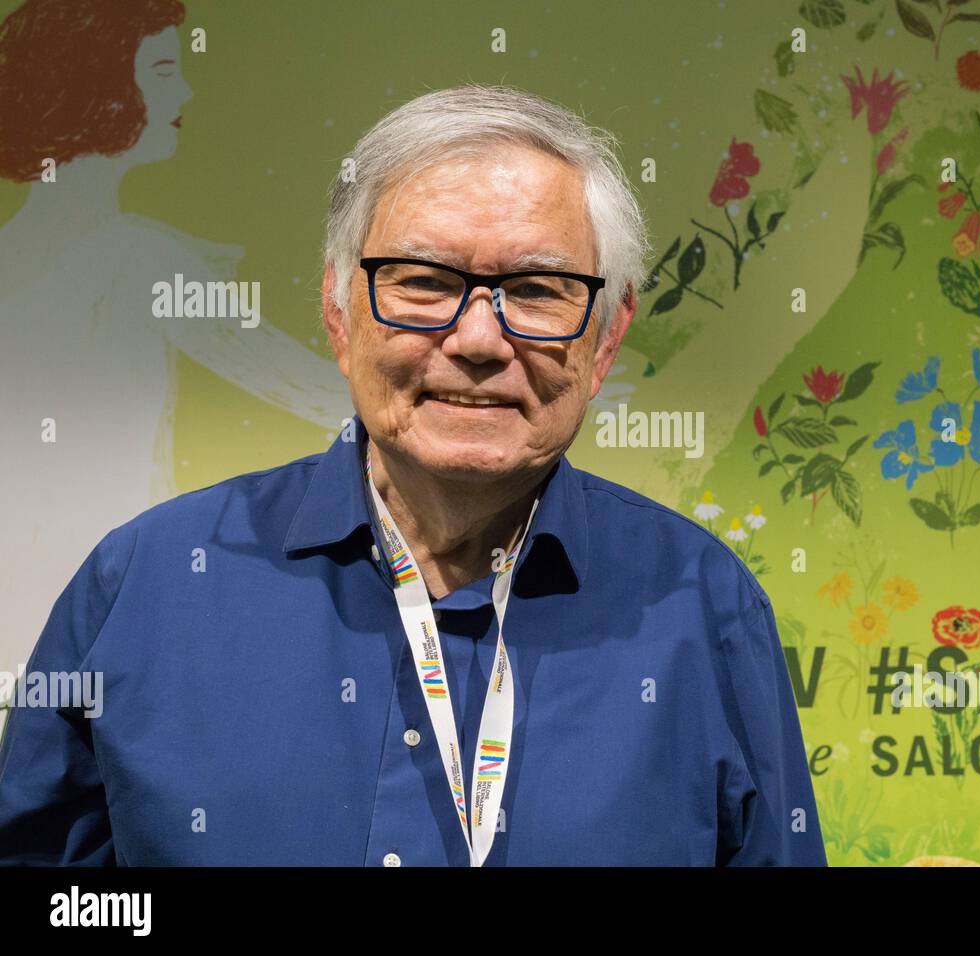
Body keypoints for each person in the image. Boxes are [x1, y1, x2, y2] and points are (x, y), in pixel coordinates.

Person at [0, 83, 827, 866]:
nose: (477, 339)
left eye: (536, 290)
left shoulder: (704, 606)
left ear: (606, 338)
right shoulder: (144, 585)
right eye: (425, 283)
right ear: (337, 311)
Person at [0, 0, 352, 690]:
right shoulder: (137, 259)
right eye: (162, 70)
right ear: (99, 88)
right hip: (109, 618)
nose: (185, 93)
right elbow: (318, 387)